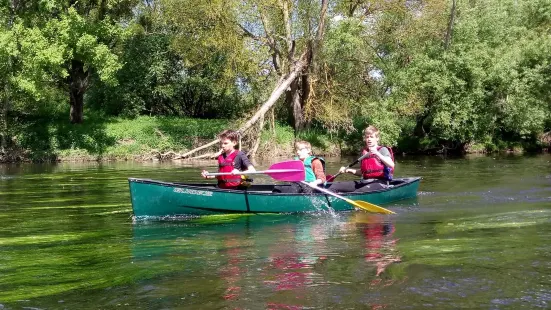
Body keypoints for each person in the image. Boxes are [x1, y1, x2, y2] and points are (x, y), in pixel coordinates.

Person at [328, 125, 395, 193]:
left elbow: (391, 165)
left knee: (358, 192)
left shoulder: (382, 150)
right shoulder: (364, 152)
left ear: (377, 138)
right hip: (364, 182)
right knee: (335, 186)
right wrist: (347, 170)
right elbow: (362, 172)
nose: (369, 139)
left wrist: (377, 153)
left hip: (380, 183)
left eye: (371, 137)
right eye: (367, 137)